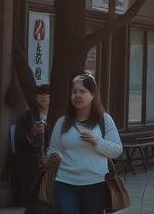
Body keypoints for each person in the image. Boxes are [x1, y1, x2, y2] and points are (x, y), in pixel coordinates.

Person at [45, 73, 123, 214]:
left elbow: (117, 150)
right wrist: (54, 155)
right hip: (64, 183)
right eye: (74, 91)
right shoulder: (62, 122)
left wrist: (96, 141)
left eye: (82, 91)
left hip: (96, 184)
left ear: (93, 95)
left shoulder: (104, 120)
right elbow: (52, 149)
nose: (77, 95)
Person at [11, 84, 50, 212]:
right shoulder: (27, 117)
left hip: (52, 162)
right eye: (40, 93)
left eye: (46, 93)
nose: (43, 96)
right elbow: (19, 140)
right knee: (34, 199)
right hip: (32, 163)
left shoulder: (58, 116)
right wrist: (32, 133)